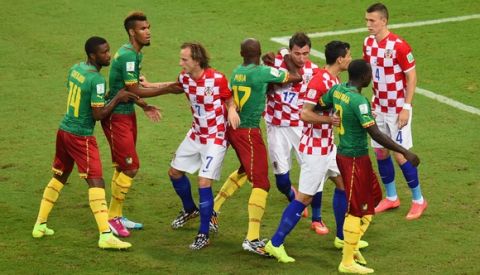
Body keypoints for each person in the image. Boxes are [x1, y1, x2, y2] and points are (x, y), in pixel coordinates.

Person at [32, 36, 138, 250]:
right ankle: (105, 235)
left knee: (59, 177)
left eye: (109, 51)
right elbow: (98, 115)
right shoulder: (97, 80)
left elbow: (79, 93)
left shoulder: (76, 69)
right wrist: (117, 98)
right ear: (93, 55)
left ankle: (40, 224)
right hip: (81, 136)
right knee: (96, 182)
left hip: (63, 130)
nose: (108, 55)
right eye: (104, 52)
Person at [323, 59, 419, 273]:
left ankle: (352, 243)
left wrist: (334, 117)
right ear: (364, 77)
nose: (372, 77)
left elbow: (323, 102)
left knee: (374, 197)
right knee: (356, 209)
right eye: (370, 74)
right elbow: (375, 133)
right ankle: (347, 262)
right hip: (353, 157)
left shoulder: (338, 90)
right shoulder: (359, 101)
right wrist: (405, 151)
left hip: (355, 157)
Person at [264, 40, 353, 262]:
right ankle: (275, 243)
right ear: (340, 59)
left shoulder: (332, 78)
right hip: (315, 150)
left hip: (327, 146)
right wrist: (330, 120)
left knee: (343, 184)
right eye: (348, 56)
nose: (350, 59)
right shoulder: (320, 81)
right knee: (303, 198)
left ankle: (342, 237)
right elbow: (305, 114)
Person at [211, 38, 301, 256]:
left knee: (245, 169)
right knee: (261, 183)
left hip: (233, 128)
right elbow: (295, 77)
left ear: (242, 53)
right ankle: (252, 238)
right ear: (259, 53)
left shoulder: (237, 71)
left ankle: (213, 209)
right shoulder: (262, 72)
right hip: (249, 132)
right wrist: (285, 55)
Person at [102, 11, 182, 238]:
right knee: (131, 167)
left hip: (126, 114)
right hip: (116, 116)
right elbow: (134, 89)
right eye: (142, 29)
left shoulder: (134, 54)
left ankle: (115, 215)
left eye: (148, 27)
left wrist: (144, 105)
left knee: (122, 166)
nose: (148, 32)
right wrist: (166, 89)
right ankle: (111, 218)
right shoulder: (128, 56)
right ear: (131, 32)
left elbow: (130, 88)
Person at [167, 42, 239, 250]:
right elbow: (174, 86)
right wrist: (151, 85)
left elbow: (228, 97)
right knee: (174, 172)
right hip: (196, 133)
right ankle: (190, 209)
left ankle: (203, 233)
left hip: (215, 138)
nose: (181, 63)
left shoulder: (217, 78)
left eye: (184, 59)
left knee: (203, 182)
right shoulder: (184, 77)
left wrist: (232, 110)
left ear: (197, 61)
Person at [364, 2, 427, 219]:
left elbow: (412, 77)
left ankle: (419, 200)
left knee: (401, 155)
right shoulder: (368, 44)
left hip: (397, 109)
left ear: (384, 21)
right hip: (378, 107)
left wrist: (406, 107)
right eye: (367, 20)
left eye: (372, 20)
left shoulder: (400, 46)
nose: (368, 24)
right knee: (381, 152)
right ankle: (391, 197)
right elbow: (369, 73)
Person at [263, 32, 321, 222]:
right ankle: (291, 195)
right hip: (276, 126)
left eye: (306, 53)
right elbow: (260, 86)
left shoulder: (314, 71)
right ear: (289, 52)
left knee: (313, 169)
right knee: (281, 180)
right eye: (297, 54)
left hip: (301, 127)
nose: (302, 58)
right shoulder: (273, 65)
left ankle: (317, 218)